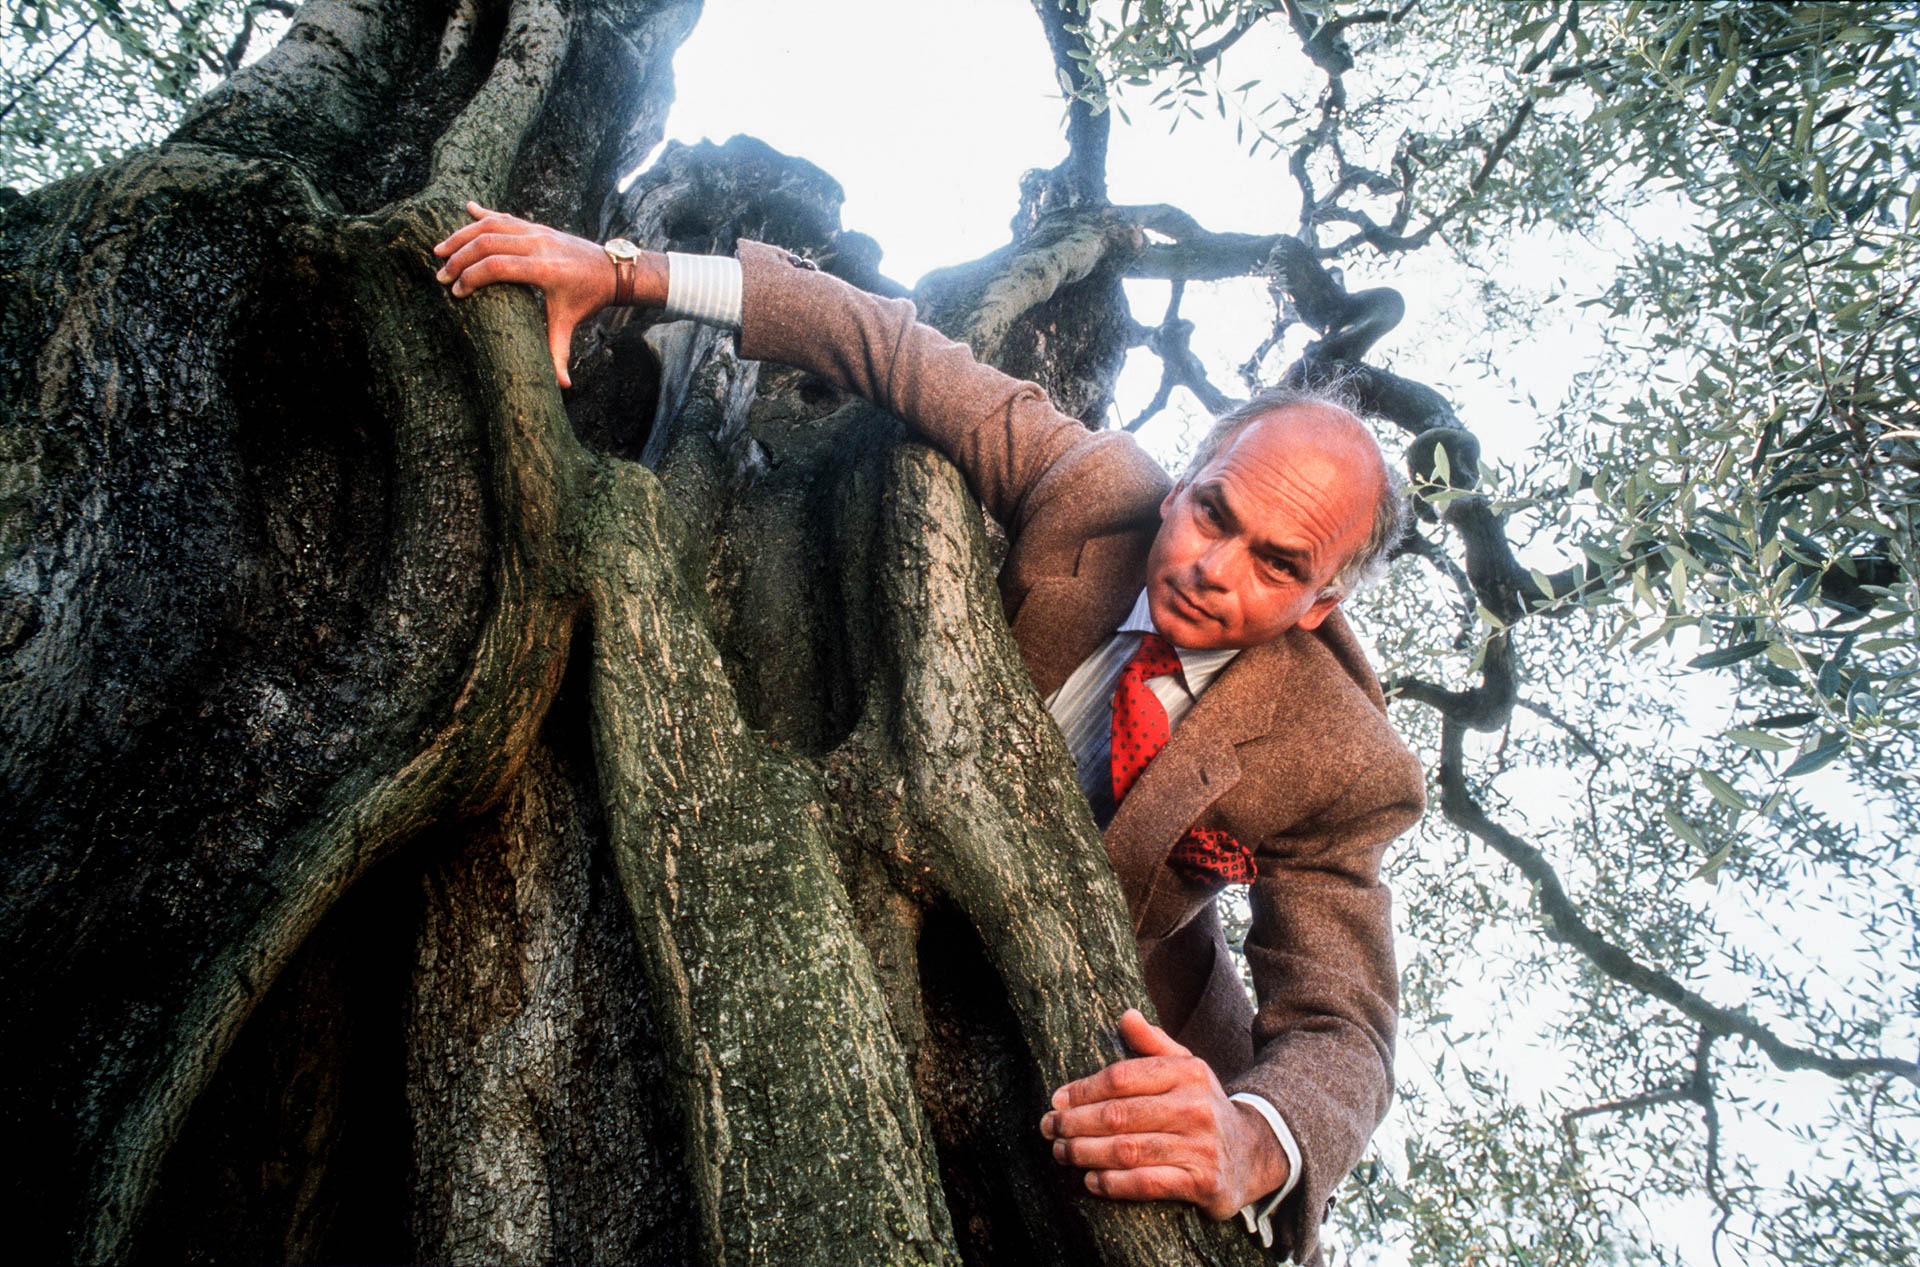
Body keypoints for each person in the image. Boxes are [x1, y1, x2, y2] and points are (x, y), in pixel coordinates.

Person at [433, 204, 1425, 1264]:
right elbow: (893, 348)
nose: (1209, 568)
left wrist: (1255, 1139)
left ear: (1320, 605)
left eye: (1277, 565)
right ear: (1181, 481)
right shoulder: (1094, 491)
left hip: (1133, 1028)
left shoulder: (1346, 760)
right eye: (1213, 512)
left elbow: (1343, 1026)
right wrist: (625, 270)